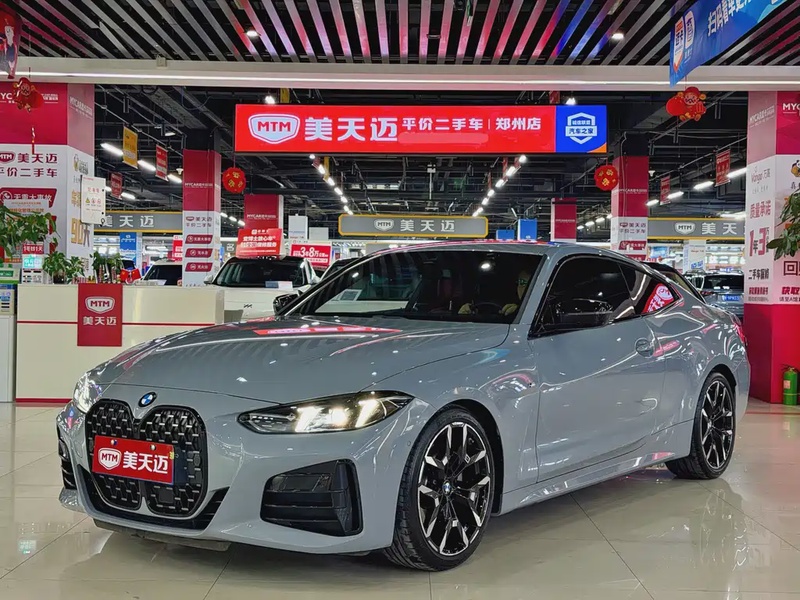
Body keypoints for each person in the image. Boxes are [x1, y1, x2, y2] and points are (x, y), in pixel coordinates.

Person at [459, 268, 532, 317]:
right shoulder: (504, 305)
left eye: (530, 283)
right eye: (522, 282)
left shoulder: (535, 315)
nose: (525, 288)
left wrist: (519, 312)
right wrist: (463, 317)